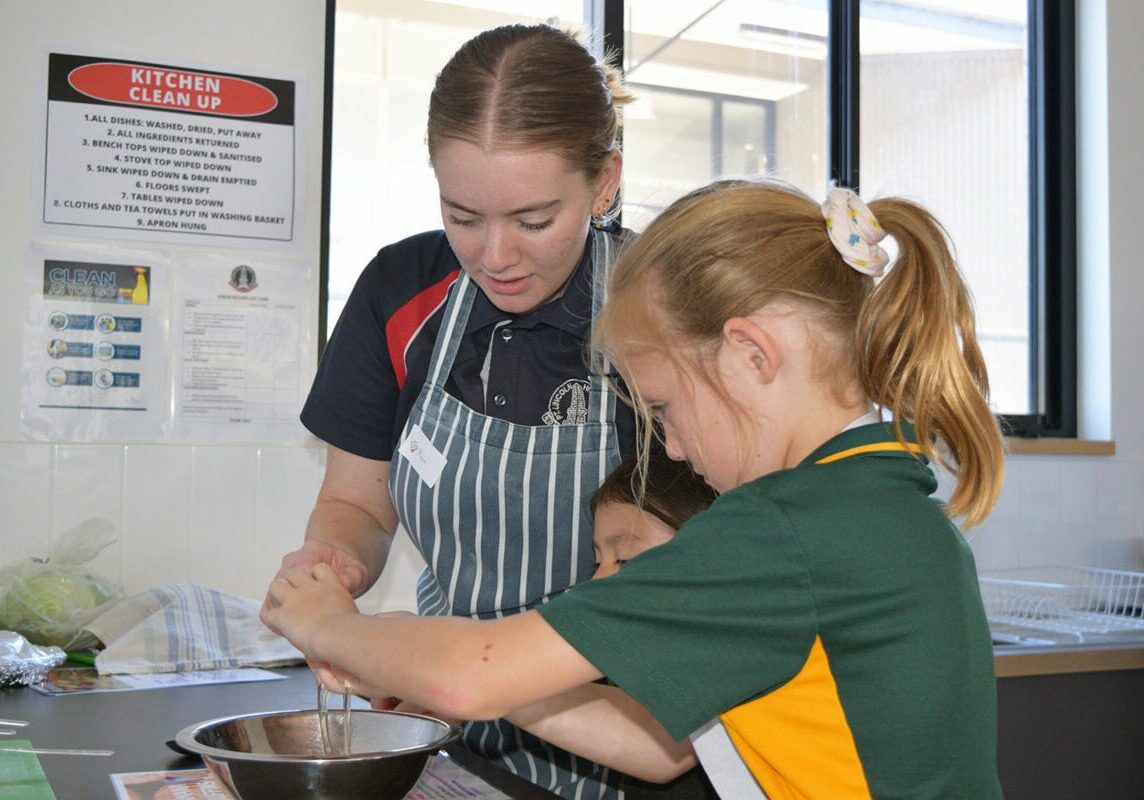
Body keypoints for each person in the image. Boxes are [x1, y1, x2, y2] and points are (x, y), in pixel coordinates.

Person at [264, 179, 1007, 799]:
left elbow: (473, 676)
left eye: (663, 409)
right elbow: (657, 747)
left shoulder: (784, 528)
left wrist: (330, 626)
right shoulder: (880, 504)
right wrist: (428, 682)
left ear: (750, 354)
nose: (672, 446)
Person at [261, 22, 644, 800]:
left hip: (632, 744)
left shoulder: (661, 314)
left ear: (604, 183)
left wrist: (428, 660)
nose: (496, 255)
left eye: (535, 220)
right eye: (463, 215)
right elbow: (354, 502)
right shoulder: (401, 291)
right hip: (449, 736)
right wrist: (336, 566)